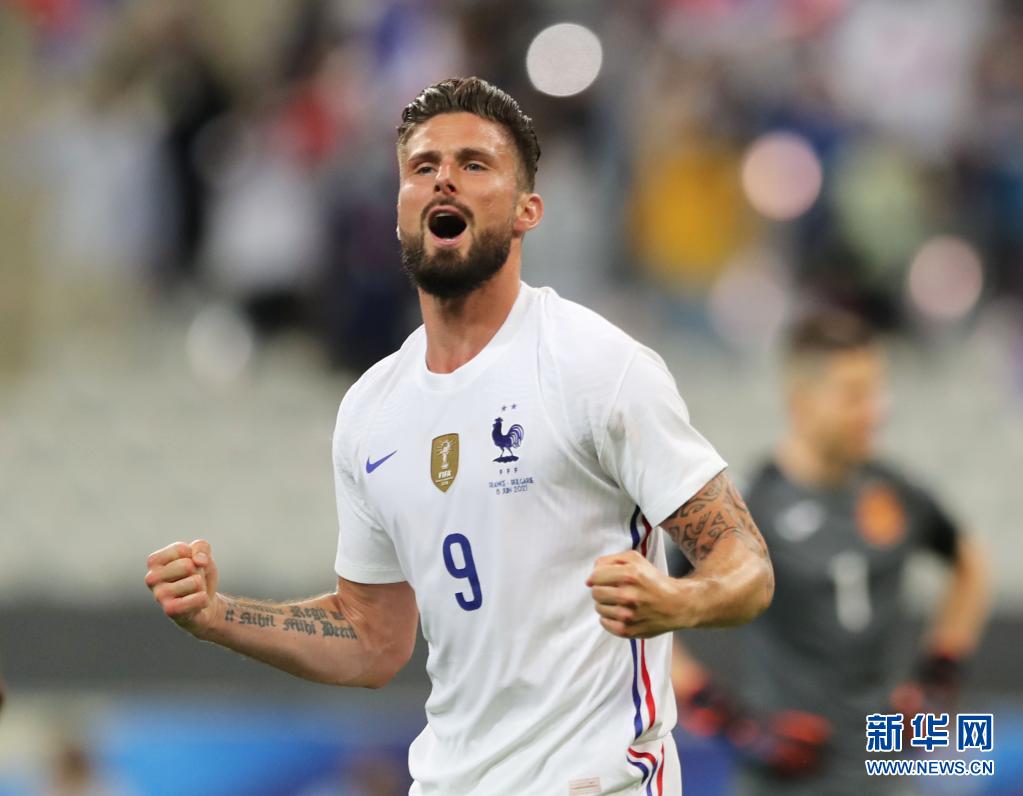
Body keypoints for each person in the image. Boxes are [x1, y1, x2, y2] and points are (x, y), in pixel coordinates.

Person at [145, 77, 774, 796]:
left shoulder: (596, 367)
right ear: (400, 210)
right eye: (423, 166)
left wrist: (678, 601)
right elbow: (372, 640)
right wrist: (219, 615)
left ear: (527, 210)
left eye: (474, 164)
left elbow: (746, 565)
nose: (444, 178)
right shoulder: (371, 410)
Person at [671, 311, 991, 795]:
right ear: (801, 403)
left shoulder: (894, 492)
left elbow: (971, 565)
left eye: (875, 392)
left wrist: (939, 673)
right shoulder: (750, 506)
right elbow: (648, 606)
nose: (874, 411)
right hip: (784, 784)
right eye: (853, 395)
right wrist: (729, 719)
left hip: (885, 777)